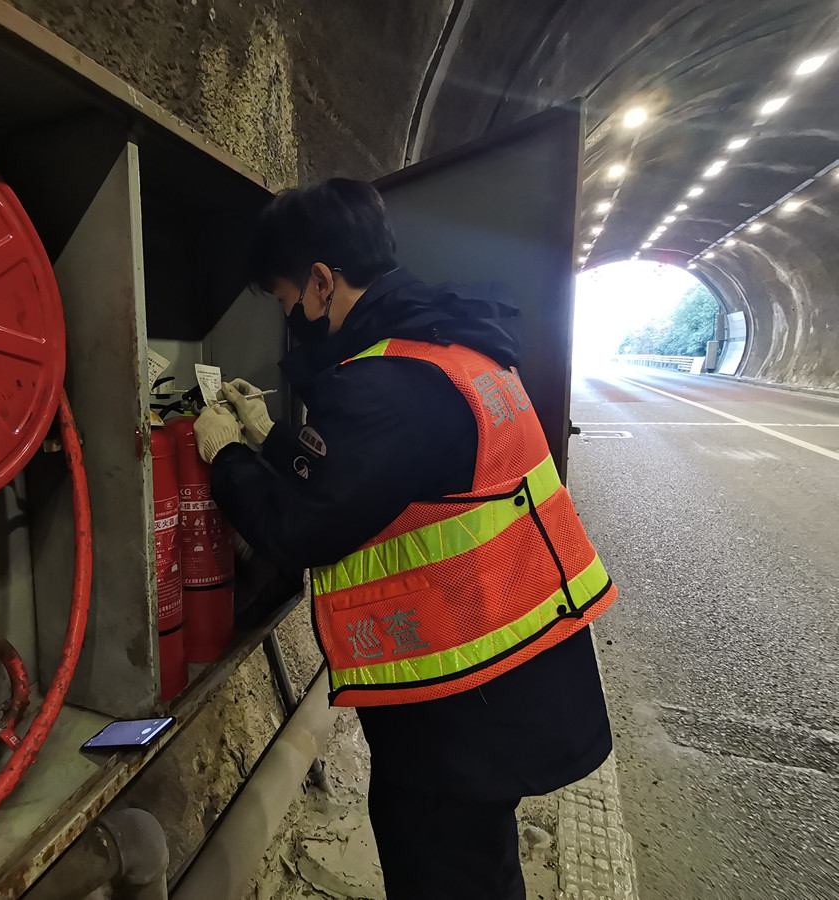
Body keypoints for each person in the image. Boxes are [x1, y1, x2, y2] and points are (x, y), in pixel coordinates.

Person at [192, 178, 616, 899]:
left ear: (321, 283)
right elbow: (370, 482)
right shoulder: (447, 345)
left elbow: (299, 532)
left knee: (444, 876)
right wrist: (272, 441)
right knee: (479, 871)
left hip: (460, 715)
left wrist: (225, 457)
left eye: (286, 299)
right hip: (507, 676)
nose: (289, 316)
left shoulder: (383, 382)